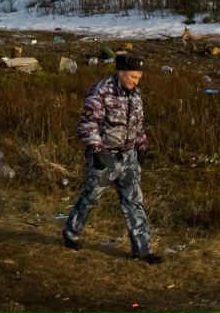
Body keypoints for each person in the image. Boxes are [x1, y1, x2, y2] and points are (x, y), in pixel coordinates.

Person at [62, 52, 162, 263]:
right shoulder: (101, 91)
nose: (136, 81)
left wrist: (141, 145)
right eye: (133, 77)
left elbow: (138, 123)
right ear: (121, 72)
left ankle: (142, 250)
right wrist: (96, 151)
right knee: (90, 198)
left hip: (129, 157)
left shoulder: (135, 94)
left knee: (134, 202)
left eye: (139, 78)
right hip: (105, 157)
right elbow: (88, 124)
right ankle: (71, 233)